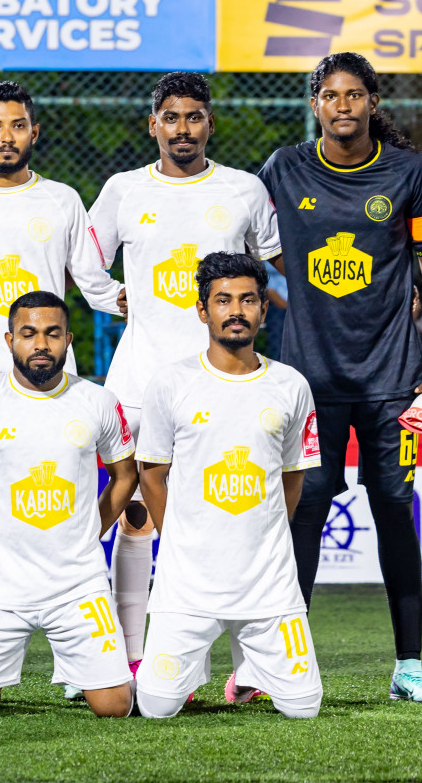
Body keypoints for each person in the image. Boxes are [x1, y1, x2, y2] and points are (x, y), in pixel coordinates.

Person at [259, 52, 422, 703]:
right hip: (308, 381)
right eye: (329, 94)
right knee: (306, 510)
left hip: (394, 380)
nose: (342, 105)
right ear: (314, 104)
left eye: (354, 94)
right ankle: (287, 662)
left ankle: (410, 666)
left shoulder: (409, 172)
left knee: (395, 508)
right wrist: (299, 301)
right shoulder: (283, 169)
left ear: (372, 103)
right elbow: (253, 254)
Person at [87, 72, 282, 675]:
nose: (182, 128)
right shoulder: (123, 190)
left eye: (194, 116)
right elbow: (86, 263)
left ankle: (248, 665)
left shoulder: (246, 189)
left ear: (209, 124)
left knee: (230, 512)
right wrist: (118, 298)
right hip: (141, 382)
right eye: (171, 116)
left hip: (225, 383)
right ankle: (132, 657)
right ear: (153, 125)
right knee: (137, 515)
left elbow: (273, 273)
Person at [0, 80, 126, 670]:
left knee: (64, 511)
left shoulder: (63, 200)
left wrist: (162, 307)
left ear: (34, 132)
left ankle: (83, 665)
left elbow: (92, 285)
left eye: (18, 125)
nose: (7, 137)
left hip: (51, 389)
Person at [133, 252, 323, 719]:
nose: (235, 310)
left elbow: (292, 478)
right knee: (156, 707)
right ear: (203, 310)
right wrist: (179, 539)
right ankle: (194, 667)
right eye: (223, 300)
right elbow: (152, 474)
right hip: (188, 585)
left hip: (269, 585)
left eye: (247, 300)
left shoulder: (291, 385)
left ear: (263, 307)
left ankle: (248, 672)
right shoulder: (171, 382)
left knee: (304, 708)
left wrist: (264, 536)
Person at [0, 291, 137, 718]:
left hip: (78, 585)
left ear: (68, 339)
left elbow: (126, 474)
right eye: (28, 334)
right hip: (1, 586)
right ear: (10, 341)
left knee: (115, 707)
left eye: (52, 334)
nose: (41, 344)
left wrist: (90, 530)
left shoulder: (97, 401)